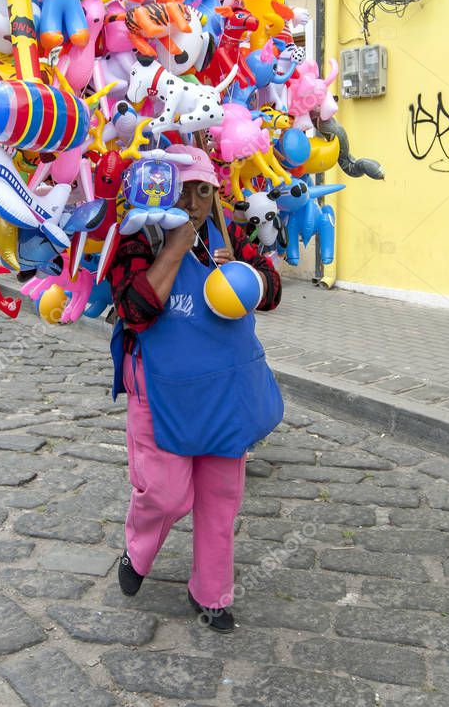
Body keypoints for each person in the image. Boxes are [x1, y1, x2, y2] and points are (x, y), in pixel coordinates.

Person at [108, 144, 283, 633]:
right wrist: (175, 248)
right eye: (182, 189)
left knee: (220, 498)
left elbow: (272, 291)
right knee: (165, 495)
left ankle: (211, 594)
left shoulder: (227, 234)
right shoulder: (137, 238)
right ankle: (138, 552)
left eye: (203, 190)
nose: (193, 201)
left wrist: (243, 274)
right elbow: (135, 311)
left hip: (224, 394)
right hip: (161, 392)